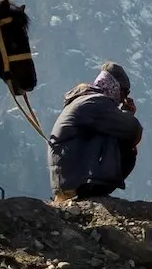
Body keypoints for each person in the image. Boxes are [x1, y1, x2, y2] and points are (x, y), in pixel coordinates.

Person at [48, 62, 143, 199]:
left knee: (115, 130)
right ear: (114, 86)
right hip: (76, 179)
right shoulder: (97, 102)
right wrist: (127, 113)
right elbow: (133, 130)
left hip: (66, 176)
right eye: (124, 92)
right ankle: (94, 189)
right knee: (123, 139)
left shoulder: (84, 99)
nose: (124, 98)